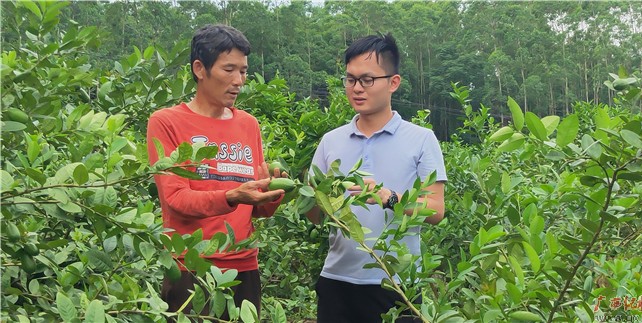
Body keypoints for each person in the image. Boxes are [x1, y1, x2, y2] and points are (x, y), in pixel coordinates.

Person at [146, 24, 285, 319]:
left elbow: (254, 208)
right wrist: (233, 195)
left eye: (243, 72)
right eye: (229, 70)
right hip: (191, 266)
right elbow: (176, 199)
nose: (239, 81)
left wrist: (272, 195)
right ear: (200, 68)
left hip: (244, 266)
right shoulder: (167, 122)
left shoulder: (248, 124)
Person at [307, 33, 447, 323]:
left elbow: (435, 209)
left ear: (393, 82)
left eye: (367, 80)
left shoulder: (421, 140)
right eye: (350, 79)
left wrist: (389, 198)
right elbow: (314, 216)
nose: (357, 88)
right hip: (337, 282)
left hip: (396, 284)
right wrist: (304, 194)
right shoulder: (331, 141)